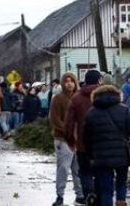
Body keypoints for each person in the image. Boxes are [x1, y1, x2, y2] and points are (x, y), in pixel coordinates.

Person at [84, 84, 130, 206]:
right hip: (121, 154)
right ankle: (120, 201)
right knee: (121, 181)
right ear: (117, 95)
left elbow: (86, 138)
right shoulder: (124, 110)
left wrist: (90, 156)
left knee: (105, 188)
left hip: (100, 156)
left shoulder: (91, 113)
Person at [65, 69, 103, 205]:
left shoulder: (76, 98)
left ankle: (89, 194)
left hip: (82, 143)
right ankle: (99, 196)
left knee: (85, 171)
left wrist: (70, 140)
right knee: (101, 172)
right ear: (99, 80)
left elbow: (69, 122)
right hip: (102, 143)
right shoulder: (105, 96)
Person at [49, 72, 84, 206]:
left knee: (78, 169)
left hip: (78, 140)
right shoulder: (58, 98)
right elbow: (55, 119)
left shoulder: (79, 98)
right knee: (63, 168)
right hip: (63, 139)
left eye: (72, 81)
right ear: (63, 83)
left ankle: (80, 195)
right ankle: (60, 196)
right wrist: (67, 132)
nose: (69, 83)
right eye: (66, 81)